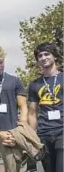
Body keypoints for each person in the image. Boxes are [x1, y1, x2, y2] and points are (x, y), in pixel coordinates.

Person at [28, 42, 63, 172]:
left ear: (54, 56)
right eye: (40, 56)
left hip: (62, 131)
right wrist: (32, 136)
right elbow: (32, 113)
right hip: (44, 134)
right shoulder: (34, 85)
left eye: (47, 54)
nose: (43, 58)